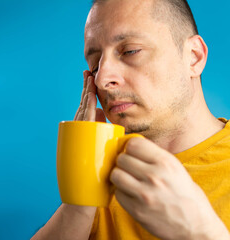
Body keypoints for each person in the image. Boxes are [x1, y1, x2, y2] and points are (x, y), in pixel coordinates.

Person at [32, 0, 230, 239]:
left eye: (130, 51)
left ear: (194, 57)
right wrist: (80, 203)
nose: (102, 79)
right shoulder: (100, 169)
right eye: (94, 66)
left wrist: (200, 233)